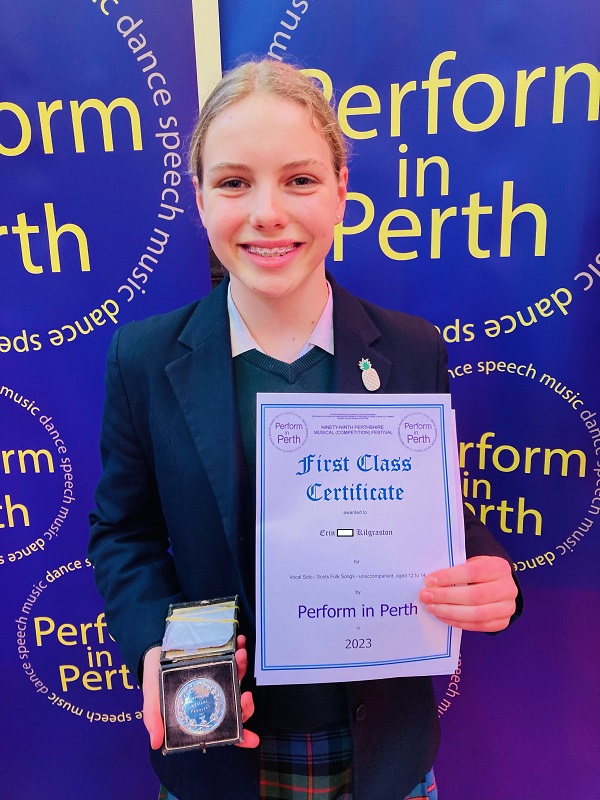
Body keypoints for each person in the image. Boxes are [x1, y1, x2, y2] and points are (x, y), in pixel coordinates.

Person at [89, 59, 521, 800]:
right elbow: (123, 533)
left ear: (341, 191)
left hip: (379, 750)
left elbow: (436, 514)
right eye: (234, 182)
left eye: (299, 179)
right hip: (219, 745)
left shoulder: (412, 348)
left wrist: (485, 569)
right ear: (199, 198)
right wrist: (156, 647)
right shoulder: (145, 358)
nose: (267, 212)